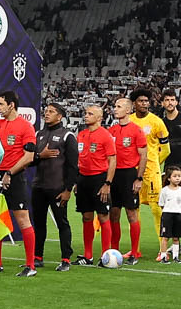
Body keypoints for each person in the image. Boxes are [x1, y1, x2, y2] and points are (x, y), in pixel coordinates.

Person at [0, 90, 39, 277]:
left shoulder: (25, 126)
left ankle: (30, 265)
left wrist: (10, 172)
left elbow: (29, 156)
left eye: (1, 104)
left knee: (22, 218)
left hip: (15, 176)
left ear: (11, 105)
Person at [30, 102, 78, 268]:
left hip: (57, 188)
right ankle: (37, 257)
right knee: (39, 223)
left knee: (61, 223)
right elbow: (30, 160)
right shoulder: (38, 134)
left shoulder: (67, 136)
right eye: (46, 111)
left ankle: (66, 258)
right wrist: (39, 156)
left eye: (51, 111)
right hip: (38, 187)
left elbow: (73, 166)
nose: (47, 114)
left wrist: (67, 190)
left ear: (60, 116)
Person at [71, 103, 117, 270]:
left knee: (103, 216)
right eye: (86, 113)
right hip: (83, 180)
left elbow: (113, 160)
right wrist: (76, 181)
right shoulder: (81, 135)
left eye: (90, 113)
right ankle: (88, 255)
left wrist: (107, 183)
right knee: (86, 217)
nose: (86, 115)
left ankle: (106, 255)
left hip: (99, 179)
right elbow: (78, 159)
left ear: (99, 118)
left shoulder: (105, 136)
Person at [108, 97, 149, 263]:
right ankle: (114, 251)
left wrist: (139, 178)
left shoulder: (136, 131)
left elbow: (143, 156)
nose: (115, 109)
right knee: (114, 214)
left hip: (129, 175)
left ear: (128, 110)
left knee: (131, 213)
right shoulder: (111, 131)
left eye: (119, 106)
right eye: (115, 106)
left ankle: (134, 252)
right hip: (114, 175)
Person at [129, 87, 170, 241]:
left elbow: (166, 149)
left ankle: (163, 248)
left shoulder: (157, 122)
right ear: (134, 103)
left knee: (157, 208)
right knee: (133, 209)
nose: (145, 104)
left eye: (147, 101)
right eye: (141, 101)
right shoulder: (129, 121)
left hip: (151, 171)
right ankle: (135, 250)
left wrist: (154, 164)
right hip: (132, 171)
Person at [157, 167, 181, 263]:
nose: (177, 178)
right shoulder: (165, 190)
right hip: (167, 215)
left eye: (179, 176)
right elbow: (161, 204)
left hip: (178, 215)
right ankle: (163, 256)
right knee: (165, 237)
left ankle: (176, 257)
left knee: (176, 237)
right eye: (175, 176)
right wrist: (167, 211)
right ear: (169, 178)